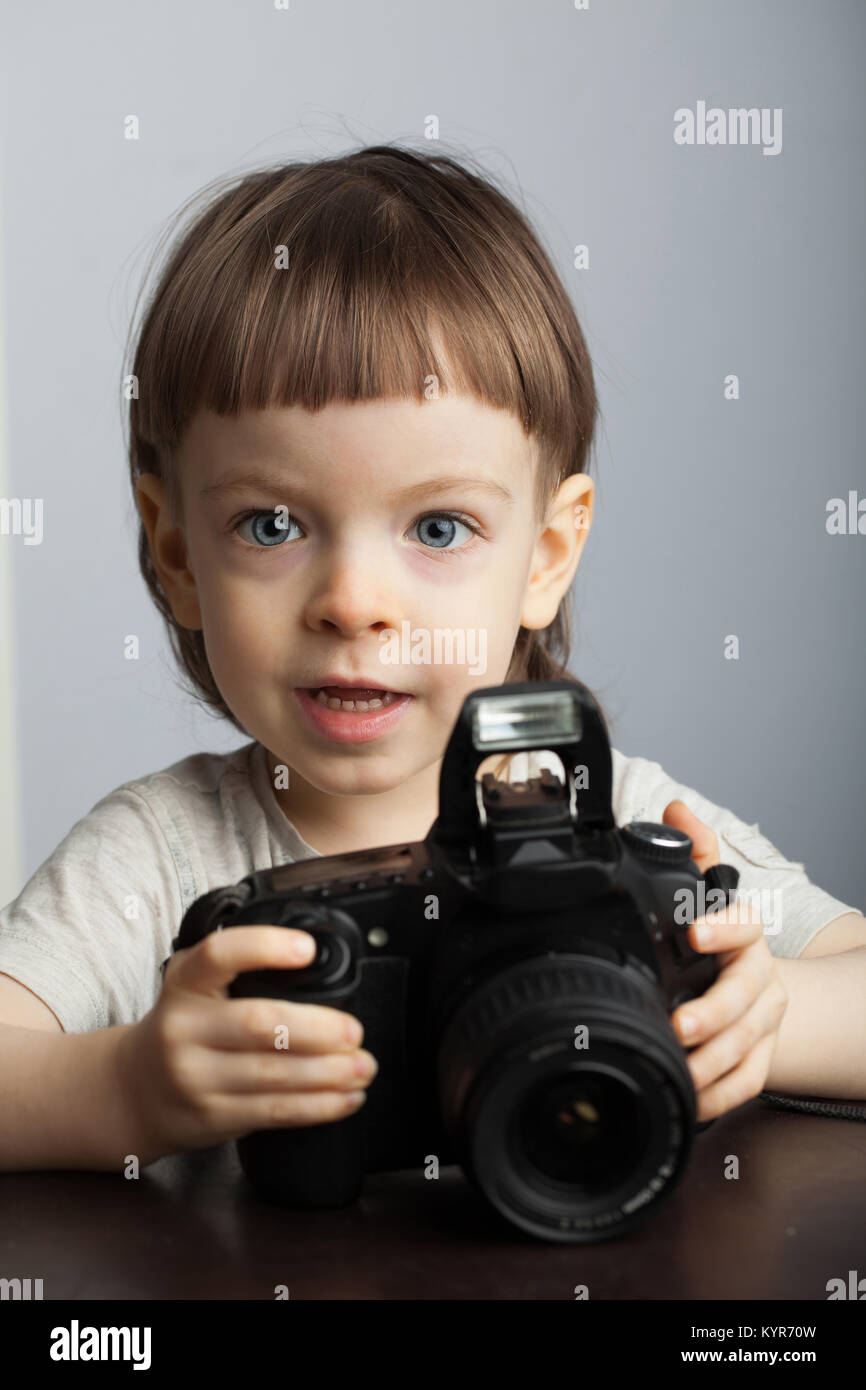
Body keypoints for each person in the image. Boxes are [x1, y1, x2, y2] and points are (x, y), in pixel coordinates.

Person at [0, 146, 863, 1175]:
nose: (354, 605)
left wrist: (760, 1011)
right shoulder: (159, 857)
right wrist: (126, 1086)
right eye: (271, 524)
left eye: (440, 529)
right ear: (176, 551)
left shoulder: (612, 827)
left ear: (544, 555)